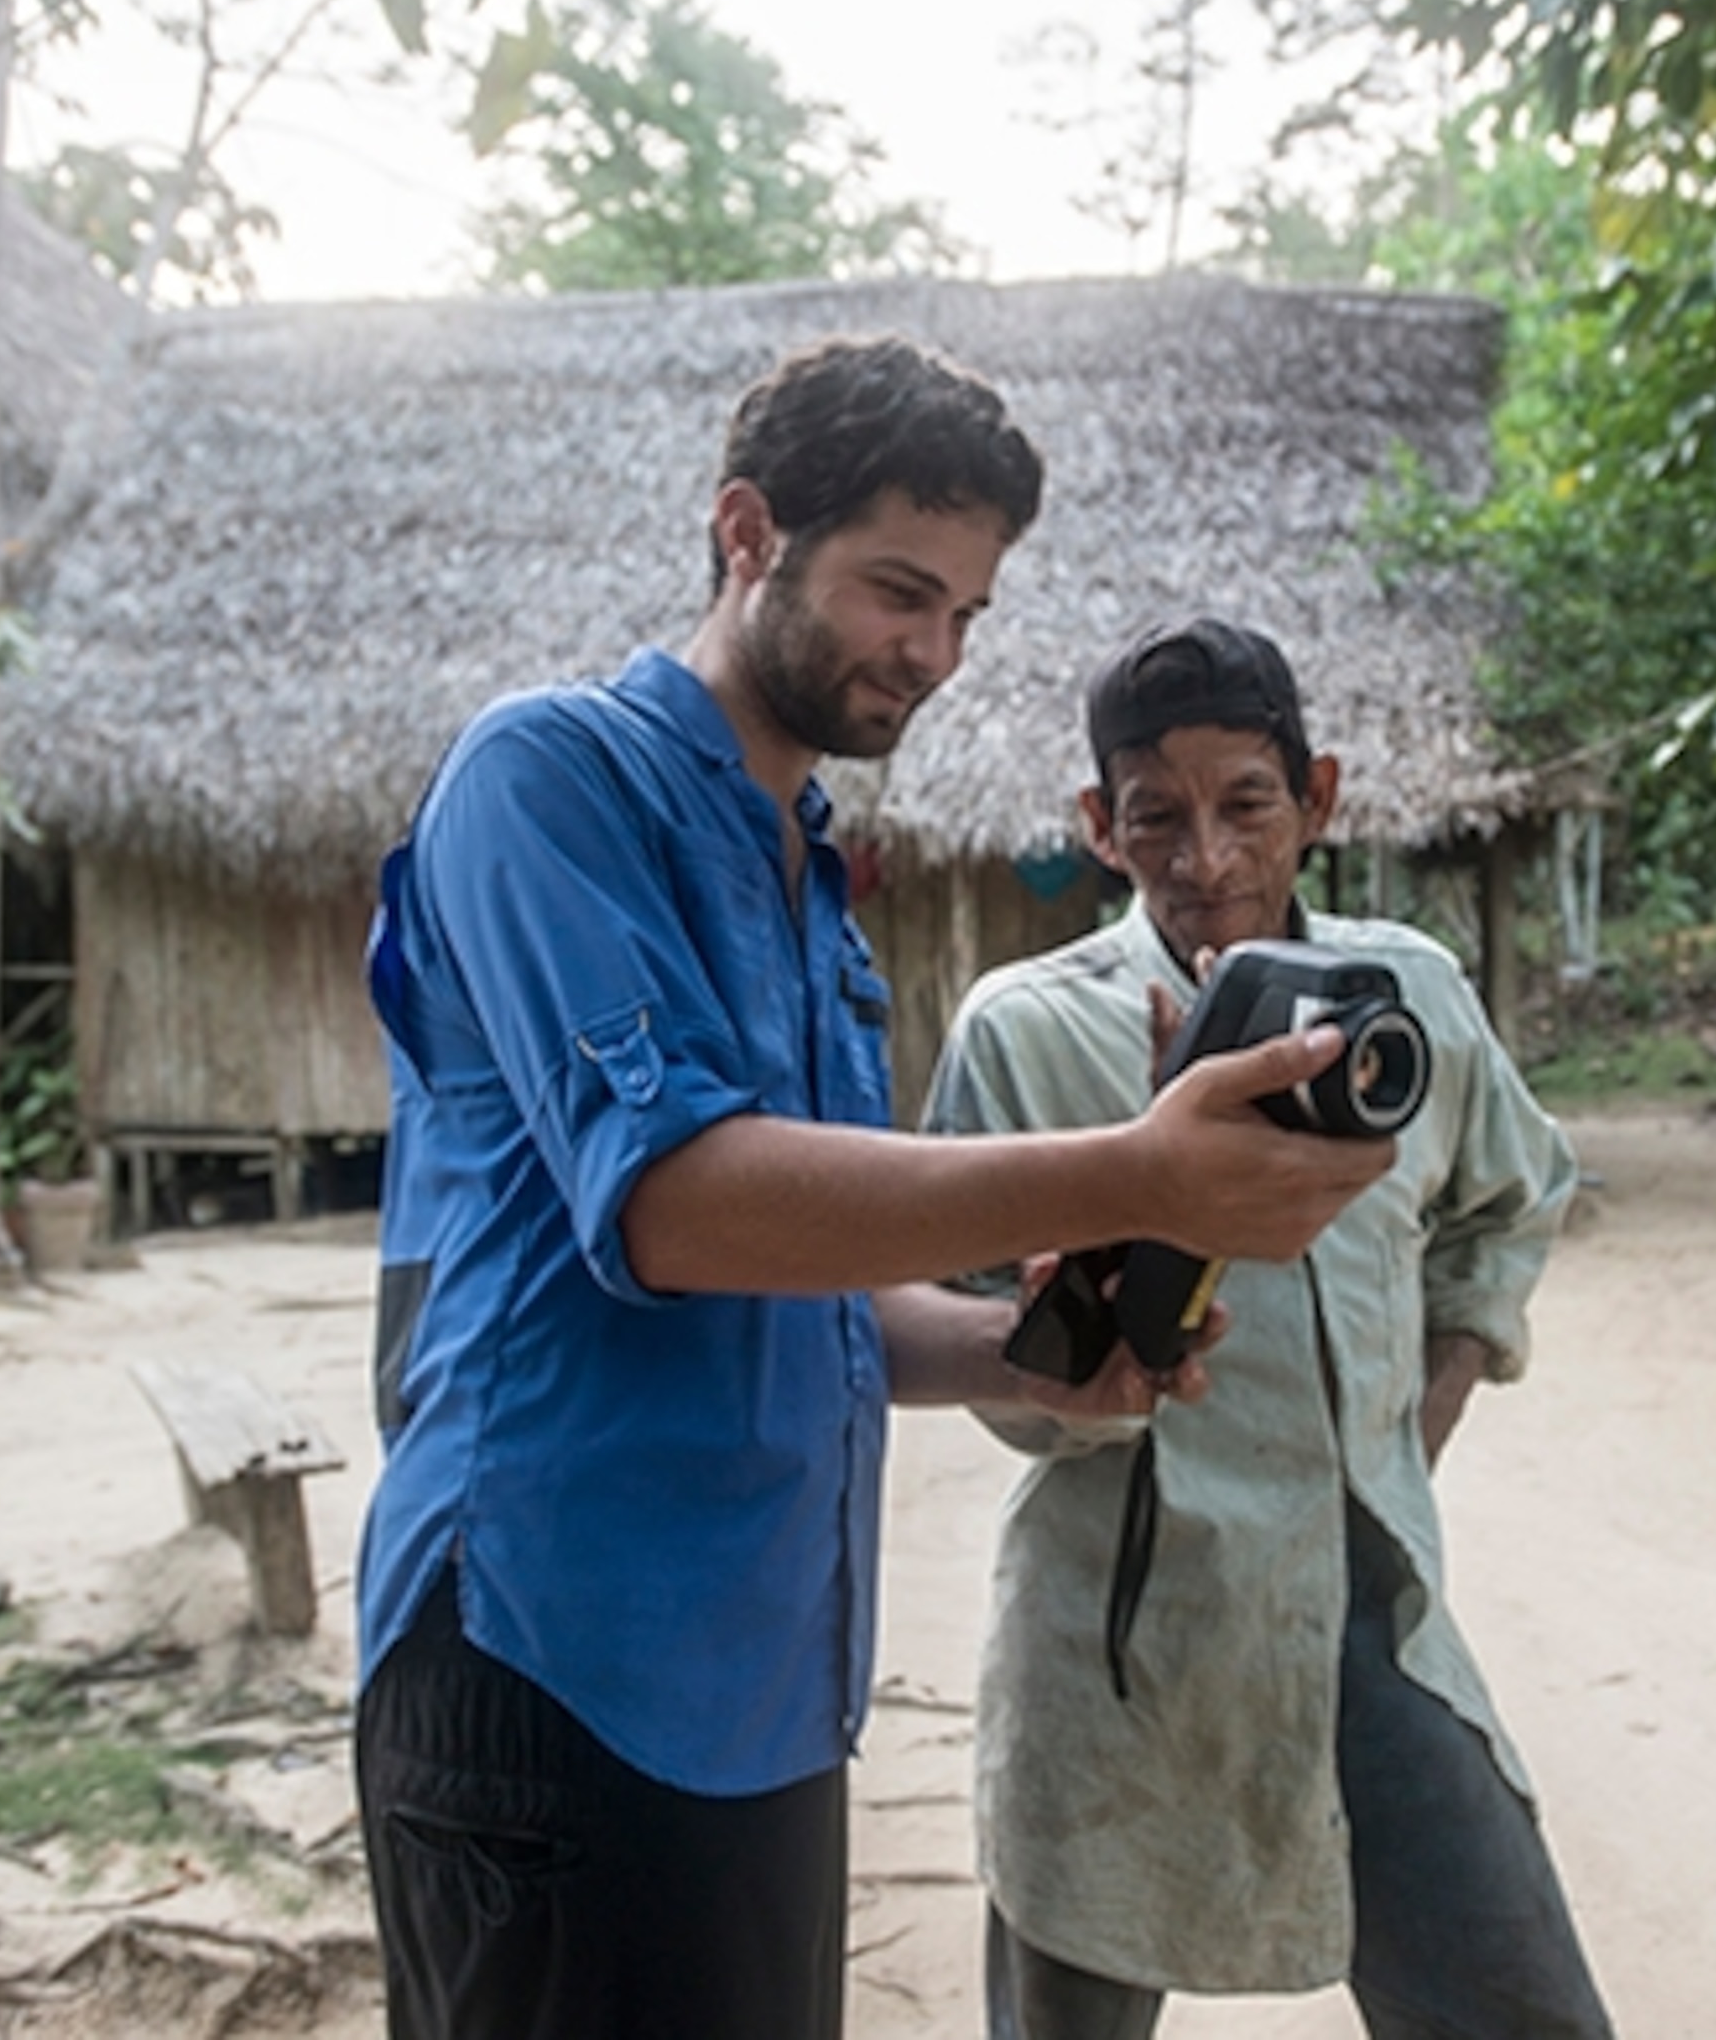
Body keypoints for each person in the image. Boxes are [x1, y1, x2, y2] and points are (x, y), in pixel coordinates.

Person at [350, 340, 1397, 2040]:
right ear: (750, 532)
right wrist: (1138, 1164)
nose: (935, 656)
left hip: (764, 1681)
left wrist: (1026, 1356)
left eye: (970, 614)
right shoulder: (546, 781)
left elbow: (809, 1290)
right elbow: (680, 1209)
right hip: (549, 1654)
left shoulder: (809, 878)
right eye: (899, 593)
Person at [923, 616, 1616, 2039]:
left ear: (1321, 798)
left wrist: (1415, 1428)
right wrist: (1080, 1363)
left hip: (1372, 1629)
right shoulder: (1028, 1032)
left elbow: (1511, 1199)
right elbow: (964, 1334)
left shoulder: (1403, 1002)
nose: (1207, 860)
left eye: (1248, 805)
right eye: (1155, 818)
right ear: (1097, 829)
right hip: (1115, 1650)